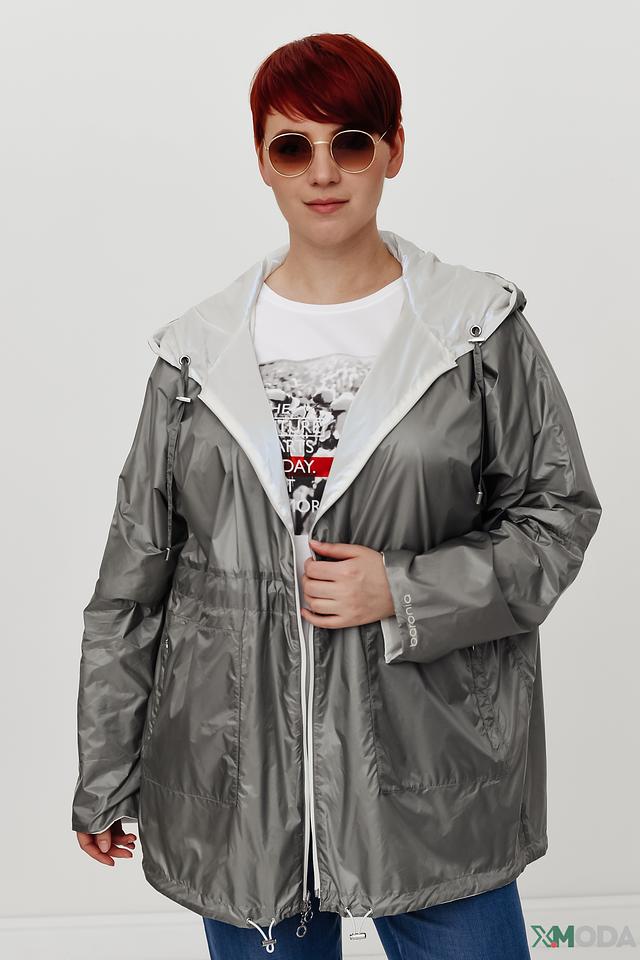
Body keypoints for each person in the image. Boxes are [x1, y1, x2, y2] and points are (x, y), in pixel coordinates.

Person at [72, 32, 603, 959]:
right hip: (242, 779)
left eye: (350, 142)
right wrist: (104, 768)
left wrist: (403, 588)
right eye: (293, 146)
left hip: (431, 767)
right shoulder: (195, 357)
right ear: (263, 162)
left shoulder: (474, 332)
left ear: (393, 150)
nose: (323, 171)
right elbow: (133, 582)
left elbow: (557, 517)